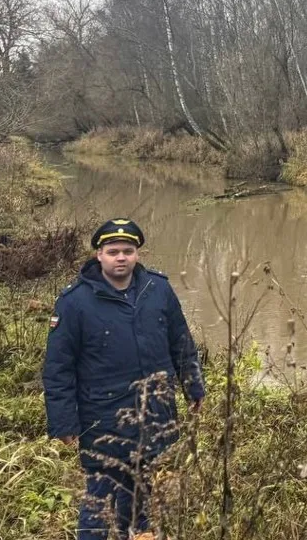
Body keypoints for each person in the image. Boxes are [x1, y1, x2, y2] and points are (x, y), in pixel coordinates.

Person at [43, 218, 205, 539]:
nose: (121, 257)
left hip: (153, 415)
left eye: (127, 251)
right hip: (103, 421)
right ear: (98, 256)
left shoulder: (158, 289)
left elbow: (181, 343)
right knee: (99, 499)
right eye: (113, 251)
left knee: (142, 490)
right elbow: (58, 368)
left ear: (137, 254)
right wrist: (64, 422)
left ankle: (138, 533)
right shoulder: (74, 302)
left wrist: (193, 387)